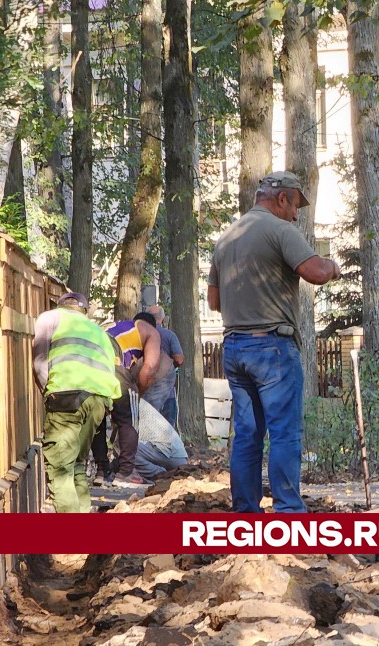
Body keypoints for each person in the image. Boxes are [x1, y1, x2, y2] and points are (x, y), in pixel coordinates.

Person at [207, 170, 341, 513]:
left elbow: (214, 301)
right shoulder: (280, 230)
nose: (296, 215)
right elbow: (315, 272)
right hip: (272, 349)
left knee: (247, 436)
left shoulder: (226, 237)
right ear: (282, 199)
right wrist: (332, 265)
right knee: (284, 433)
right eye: (295, 205)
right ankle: (288, 515)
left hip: (235, 349)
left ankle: (247, 516)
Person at [32, 292, 121, 512]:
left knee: (61, 467)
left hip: (66, 396)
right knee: (77, 464)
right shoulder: (99, 331)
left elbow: (40, 363)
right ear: (83, 310)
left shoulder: (50, 317)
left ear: (61, 305)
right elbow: (110, 367)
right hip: (100, 398)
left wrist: (47, 392)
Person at [90, 311, 163, 484]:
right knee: (130, 418)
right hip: (112, 362)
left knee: (97, 416)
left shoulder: (118, 327)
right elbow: (149, 369)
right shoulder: (152, 332)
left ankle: (102, 471)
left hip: (88, 362)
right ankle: (126, 473)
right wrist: (138, 396)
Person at [130, 397, 189, 481]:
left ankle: (160, 474)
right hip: (178, 456)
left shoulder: (129, 406)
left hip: (170, 454)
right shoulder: (135, 400)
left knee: (128, 448)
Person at [147, 304, 185, 426]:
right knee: (168, 429)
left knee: (147, 428)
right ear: (163, 319)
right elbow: (179, 359)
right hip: (167, 392)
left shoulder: (140, 335)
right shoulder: (169, 335)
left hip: (145, 391)